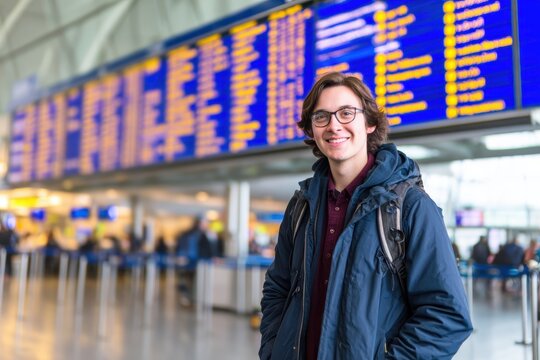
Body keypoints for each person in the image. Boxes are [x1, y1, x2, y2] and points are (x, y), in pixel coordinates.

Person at [259, 72, 472, 359]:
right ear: (312, 129)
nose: (334, 125)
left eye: (346, 113)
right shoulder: (302, 207)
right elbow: (278, 288)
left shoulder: (409, 207)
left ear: (370, 123)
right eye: (321, 116)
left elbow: (447, 316)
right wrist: (273, 350)